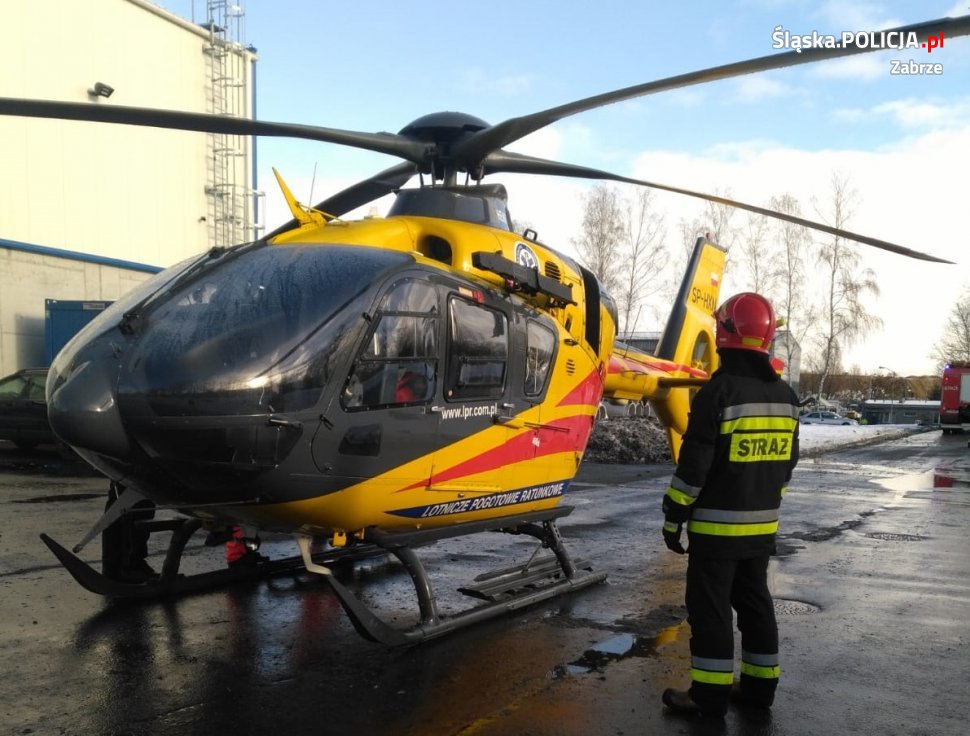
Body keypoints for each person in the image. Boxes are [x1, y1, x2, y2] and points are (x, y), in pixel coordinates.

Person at [660, 292, 800, 718]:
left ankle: (709, 696)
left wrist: (674, 515)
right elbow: (786, 465)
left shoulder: (718, 392)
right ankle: (759, 690)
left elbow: (694, 464)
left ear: (725, 333)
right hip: (761, 531)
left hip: (716, 534)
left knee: (711, 610)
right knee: (756, 604)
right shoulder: (786, 397)